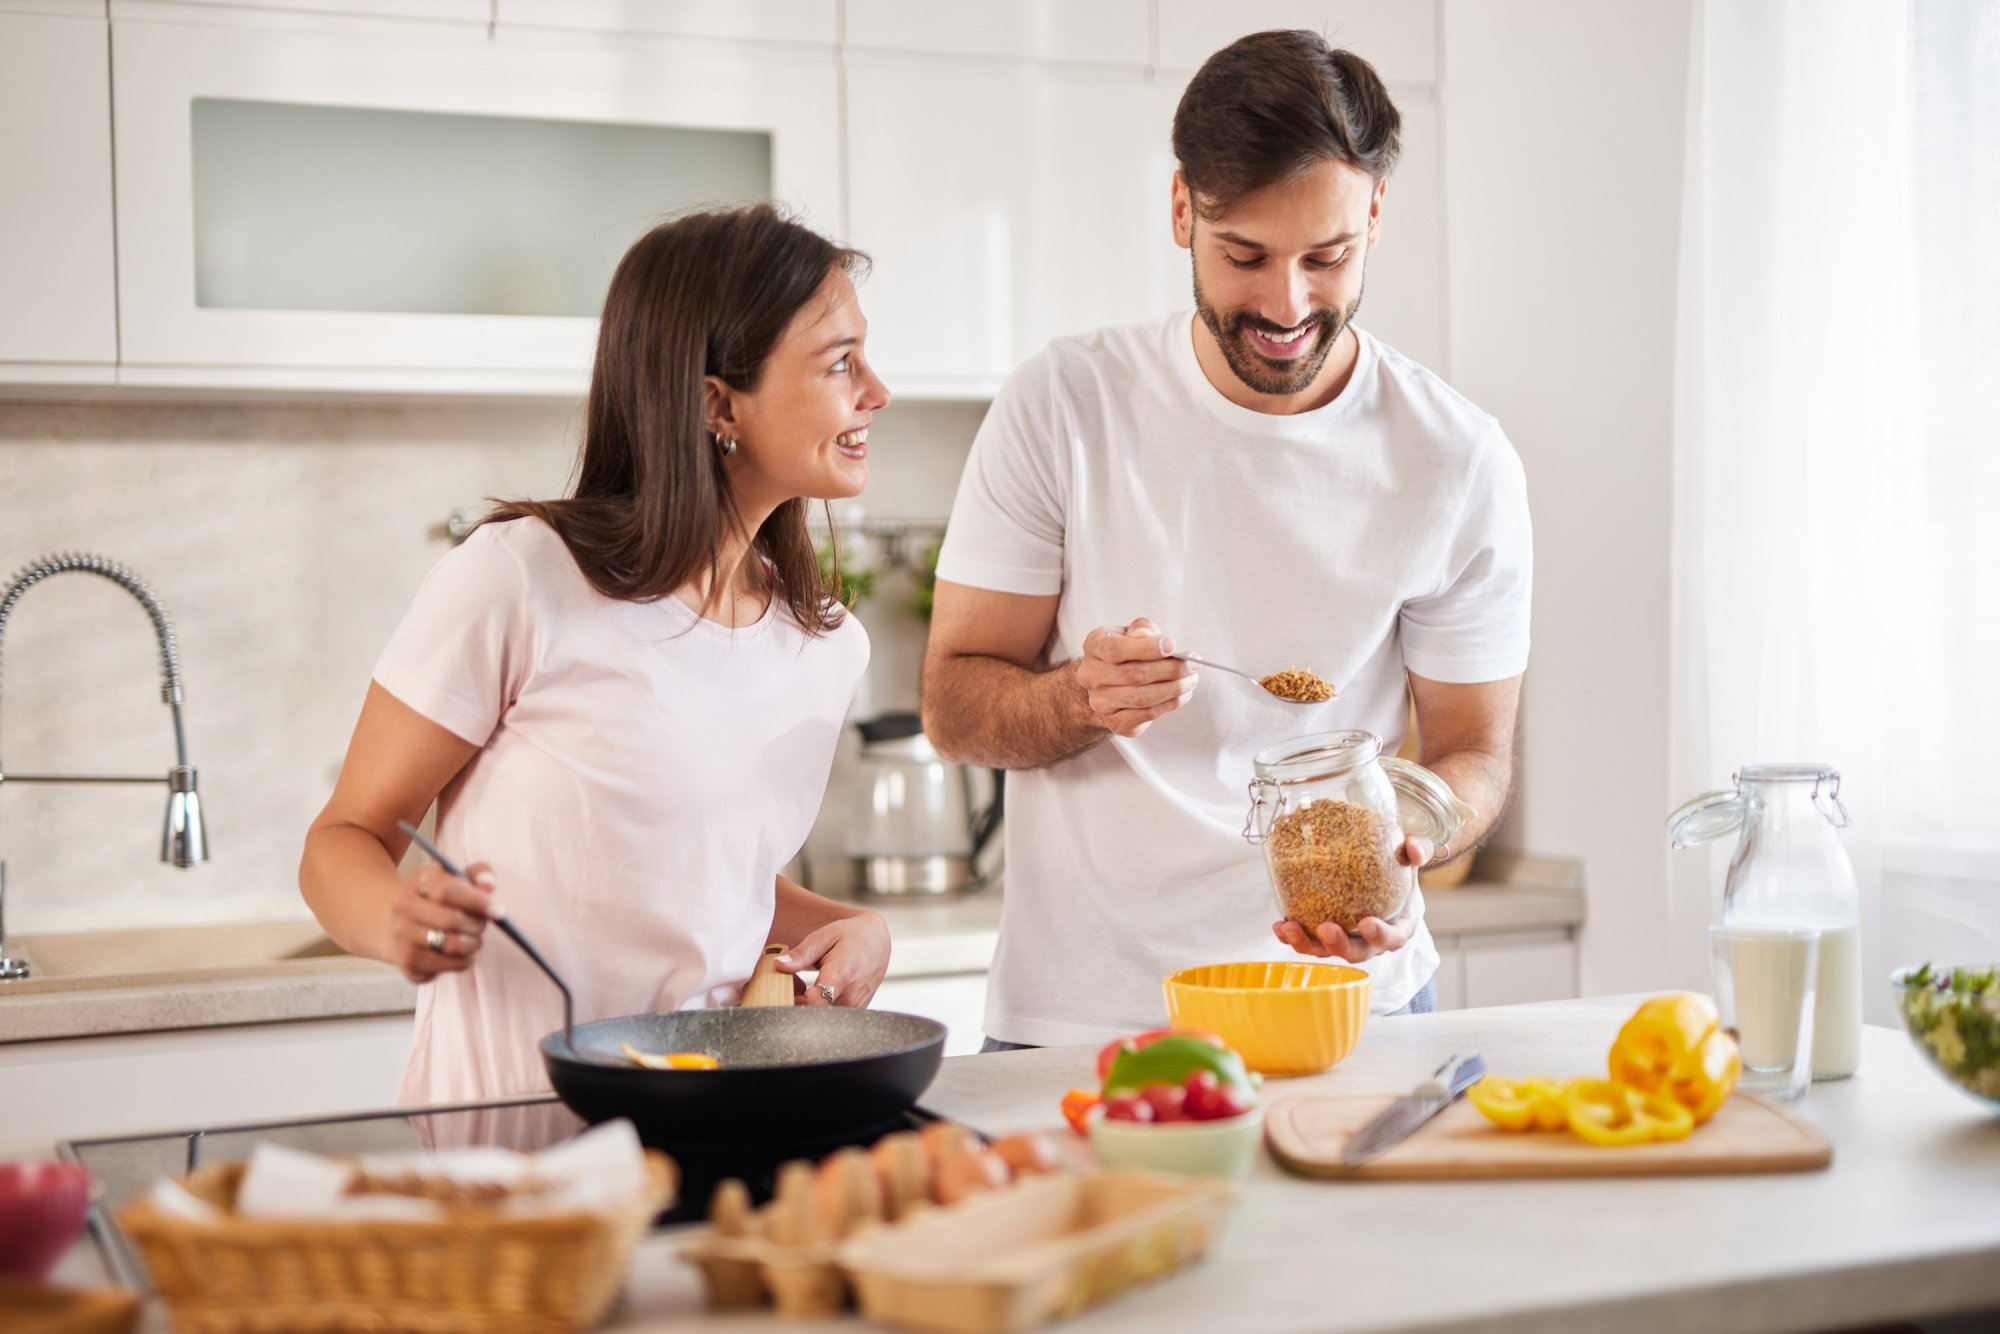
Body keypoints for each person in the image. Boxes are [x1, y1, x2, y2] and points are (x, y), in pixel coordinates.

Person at [920, 31, 1533, 1049]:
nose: (1286, 305)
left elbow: (1472, 751)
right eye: (1243, 255)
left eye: (1325, 257)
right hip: (1087, 1011)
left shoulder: (1456, 458)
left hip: (1351, 1004)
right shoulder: (1064, 405)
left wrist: (1416, 831)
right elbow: (951, 705)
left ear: (1374, 215)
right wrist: (1077, 697)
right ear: (1180, 212)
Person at [301, 204, 894, 1103]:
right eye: (839, 361)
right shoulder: (520, 578)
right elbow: (343, 837)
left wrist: (855, 927)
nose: (877, 391)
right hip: (512, 1136)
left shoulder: (821, 644)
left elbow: (706, 877)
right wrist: (397, 918)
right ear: (715, 404)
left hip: (708, 1132)